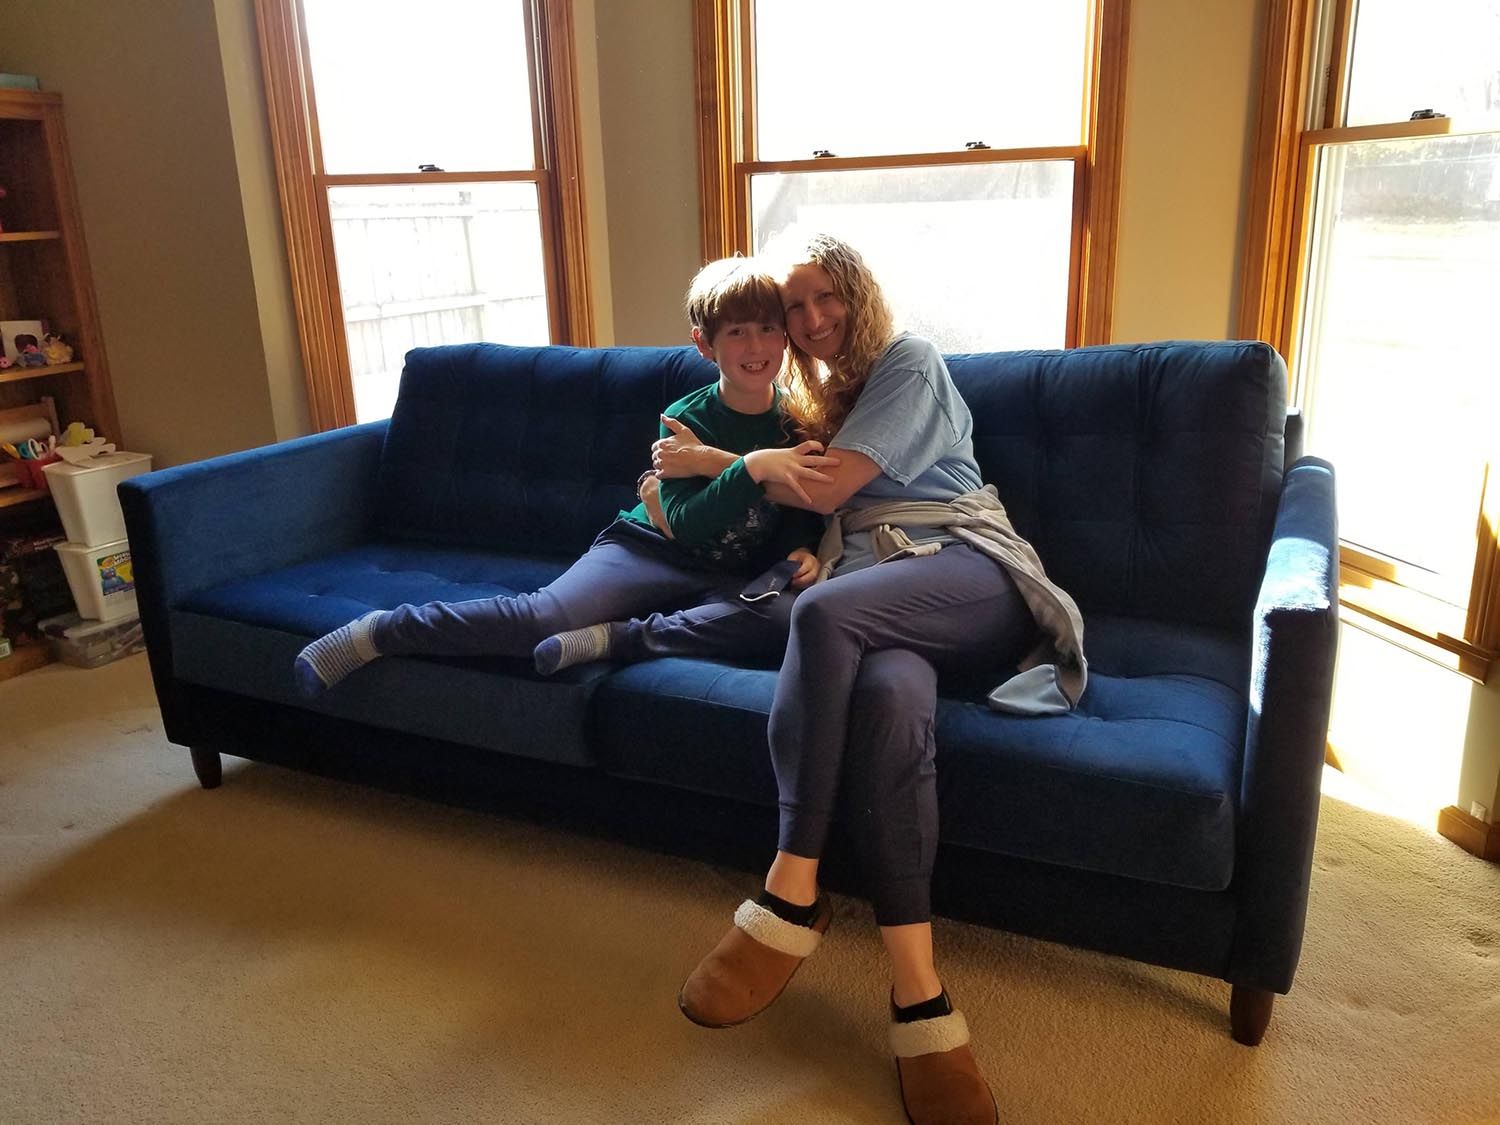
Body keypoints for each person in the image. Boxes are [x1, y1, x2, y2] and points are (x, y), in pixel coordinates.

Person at [545, 233, 1086, 1125]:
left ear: (860, 292)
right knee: (889, 699)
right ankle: (920, 997)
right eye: (795, 308)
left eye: (825, 297)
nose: (810, 319)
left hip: (966, 568)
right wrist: (725, 512)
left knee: (823, 614)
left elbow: (829, 488)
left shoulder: (907, 362)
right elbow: (803, 507)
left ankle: (790, 890)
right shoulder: (822, 397)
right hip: (880, 591)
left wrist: (719, 464)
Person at [291, 256, 832, 696]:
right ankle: (385, 630)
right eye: (737, 332)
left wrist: (800, 548)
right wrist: (752, 467)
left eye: (768, 329)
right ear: (703, 344)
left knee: (792, 620)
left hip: (730, 573)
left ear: (785, 337)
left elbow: (797, 505)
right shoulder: (685, 418)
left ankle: (612, 640)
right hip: (648, 547)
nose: (756, 347)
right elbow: (686, 525)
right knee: (540, 617)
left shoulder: (793, 420)